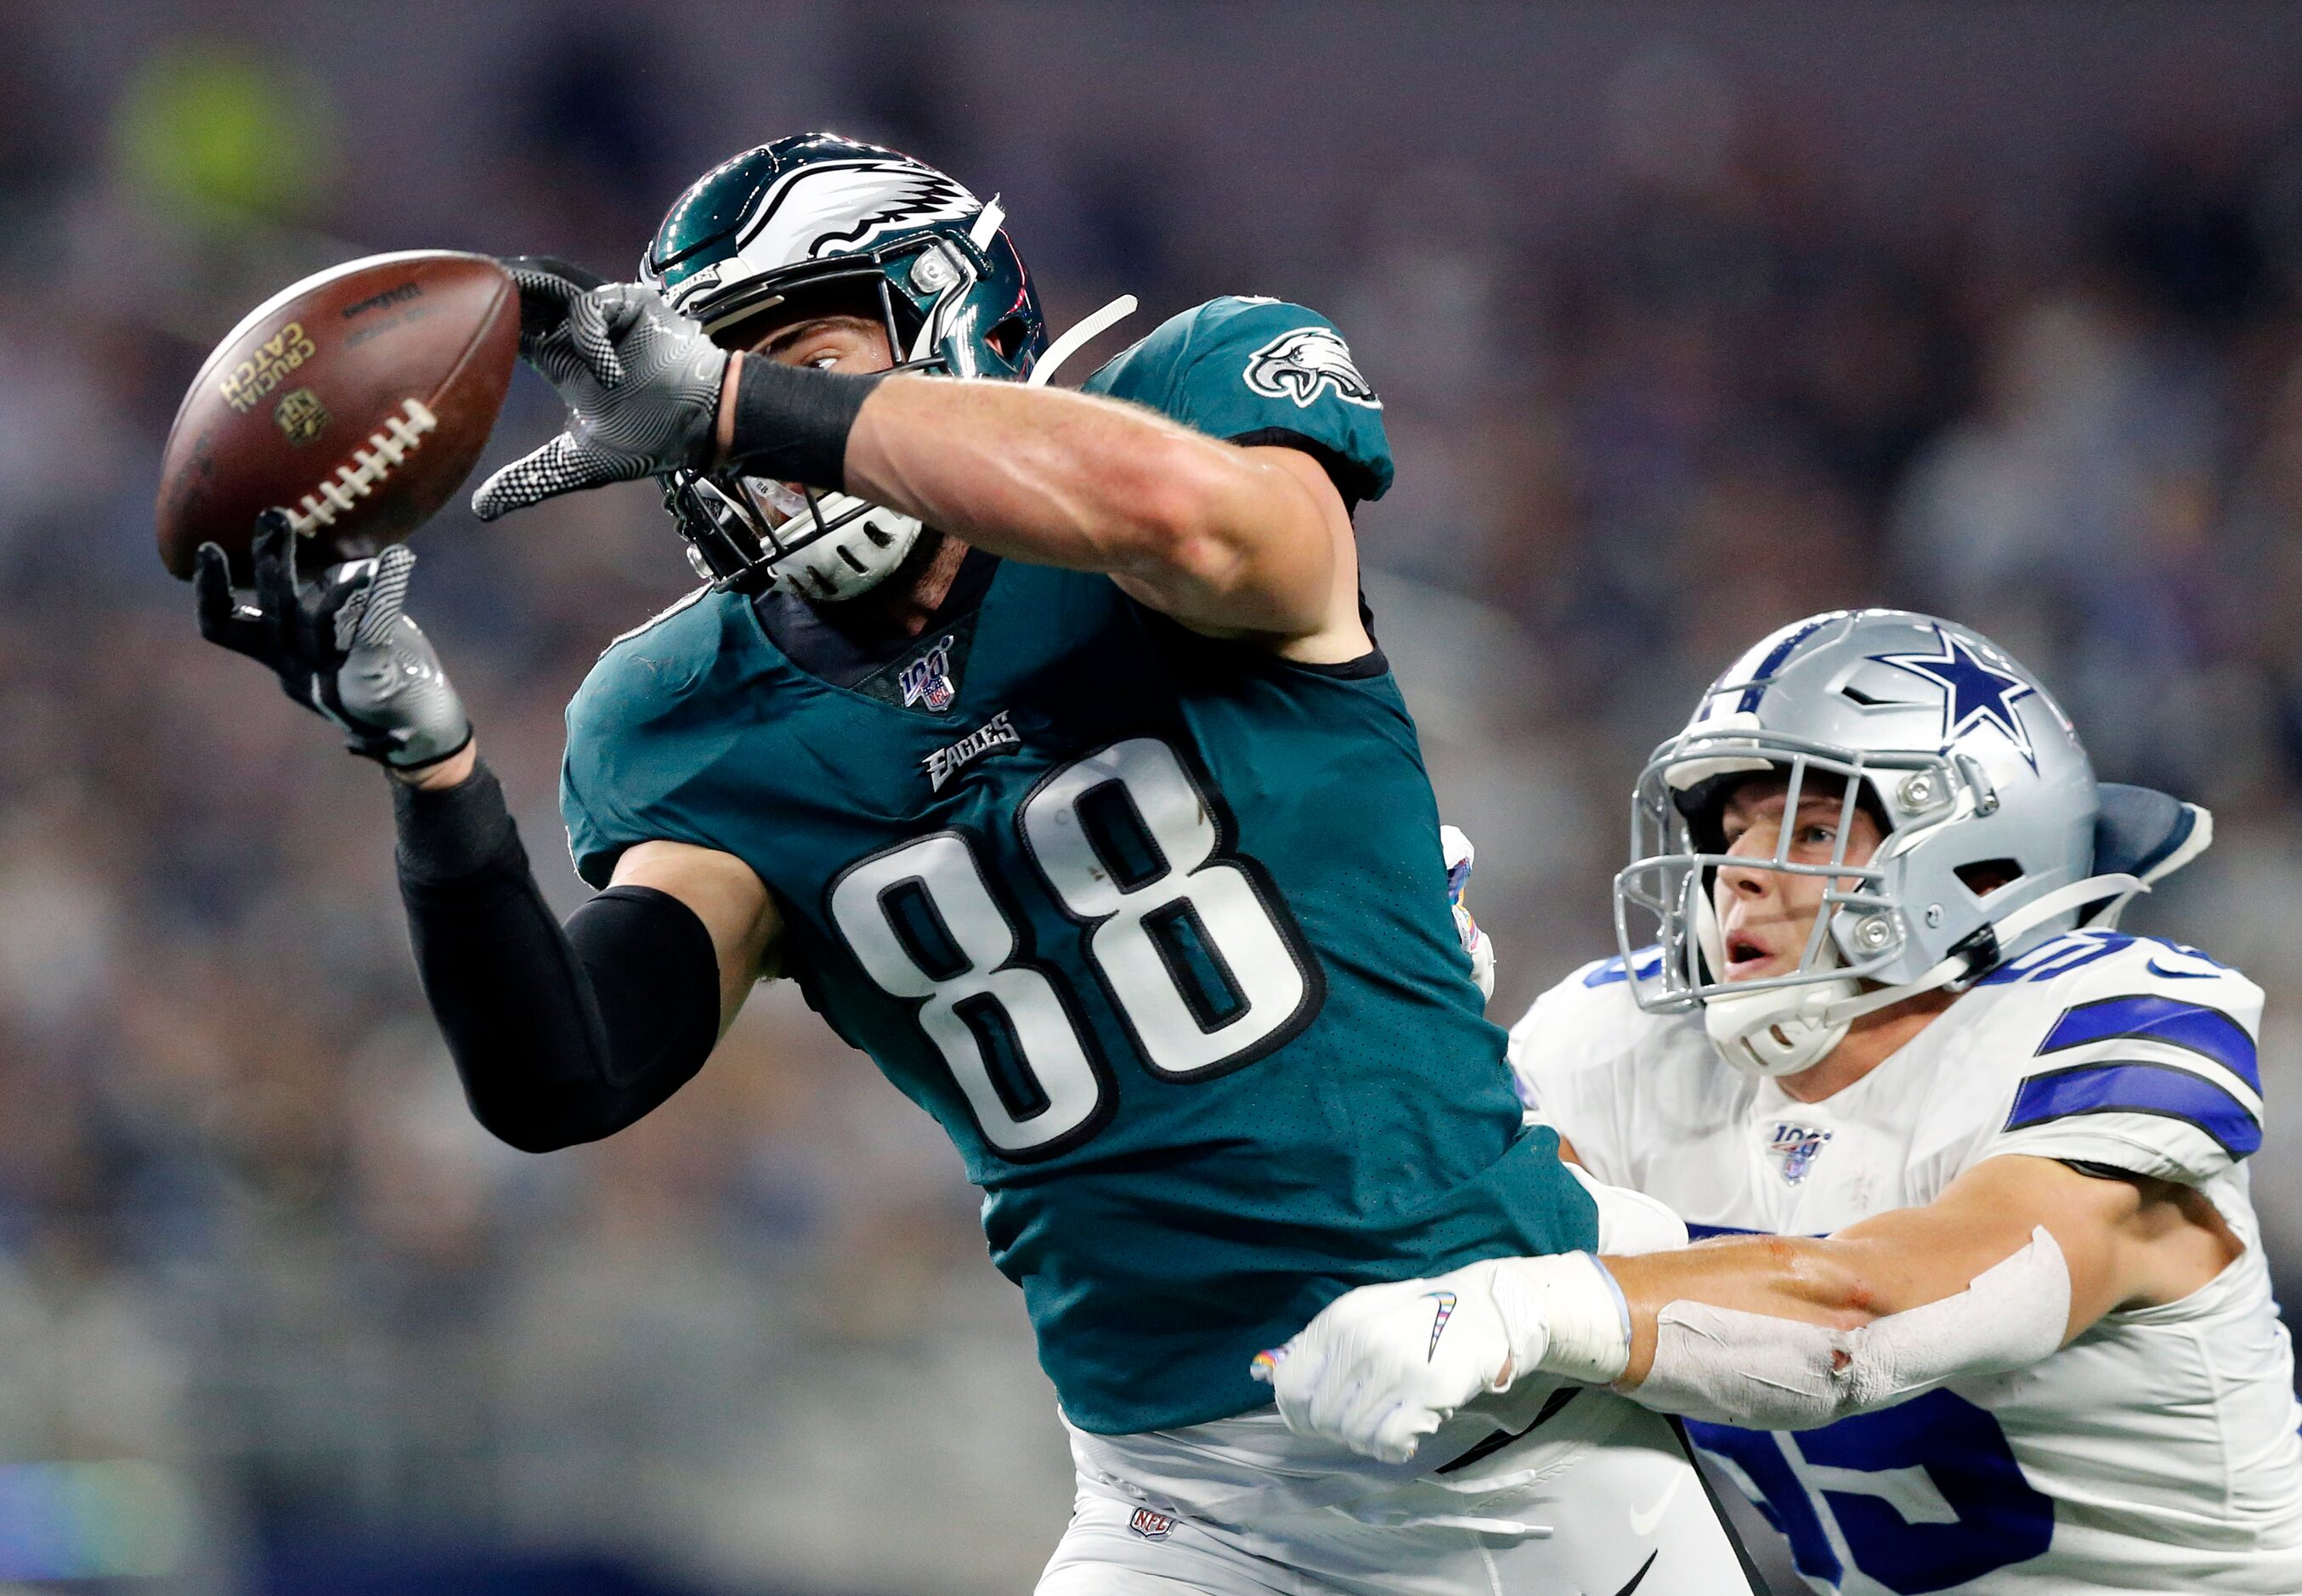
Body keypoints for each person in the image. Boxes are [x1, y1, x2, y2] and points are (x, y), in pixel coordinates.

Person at [191, 133, 1756, 1593]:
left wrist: (734, 399)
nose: (742, 428)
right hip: (1180, 1494)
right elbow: (564, 1075)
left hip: (1519, 1406)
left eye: (793, 358)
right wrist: (432, 769)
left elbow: (1193, 524)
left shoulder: (1196, 409)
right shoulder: (686, 717)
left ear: (949, 322)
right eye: (701, 385)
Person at [1258, 609, 2302, 1592]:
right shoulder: (1620, 1042)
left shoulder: (2098, 1027)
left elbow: (1863, 1324)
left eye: (1810, 832)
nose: (1736, 877)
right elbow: (1449, 1246)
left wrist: (1535, 1306)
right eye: (1727, 833)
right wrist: (1404, 1031)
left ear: (1984, 862)